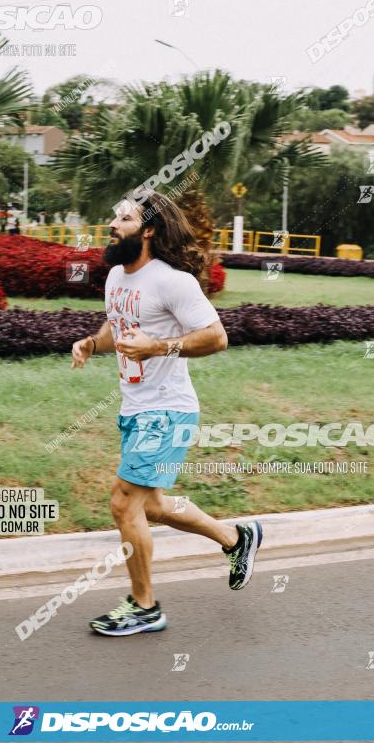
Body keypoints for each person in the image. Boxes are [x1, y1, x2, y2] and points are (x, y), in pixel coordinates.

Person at [71, 192, 263, 637]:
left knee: (124, 502)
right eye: (114, 214)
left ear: (150, 229)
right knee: (151, 506)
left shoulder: (174, 282)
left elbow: (216, 337)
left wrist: (159, 347)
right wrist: (91, 343)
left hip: (167, 411)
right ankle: (237, 539)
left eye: (124, 217)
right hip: (135, 408)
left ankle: (145, 607)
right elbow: (116, 323)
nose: (112, 223)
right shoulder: (117, 276)